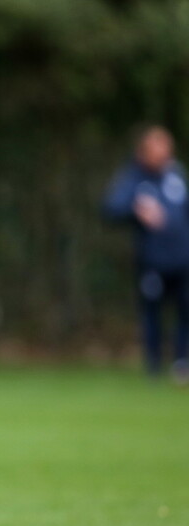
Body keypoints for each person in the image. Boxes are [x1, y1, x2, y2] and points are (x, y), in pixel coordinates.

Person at [104, 125, 189, 382]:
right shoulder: (133, 179)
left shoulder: (176, 175)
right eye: (157, 147)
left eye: (166, 147)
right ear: (144, 151)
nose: (163, 153)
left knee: (185, 311)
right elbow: (110, 209)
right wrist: (135, 209)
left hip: (183, 261)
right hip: (152, 263)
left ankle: (181, 362)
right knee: (153, 315)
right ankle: (153, 367)